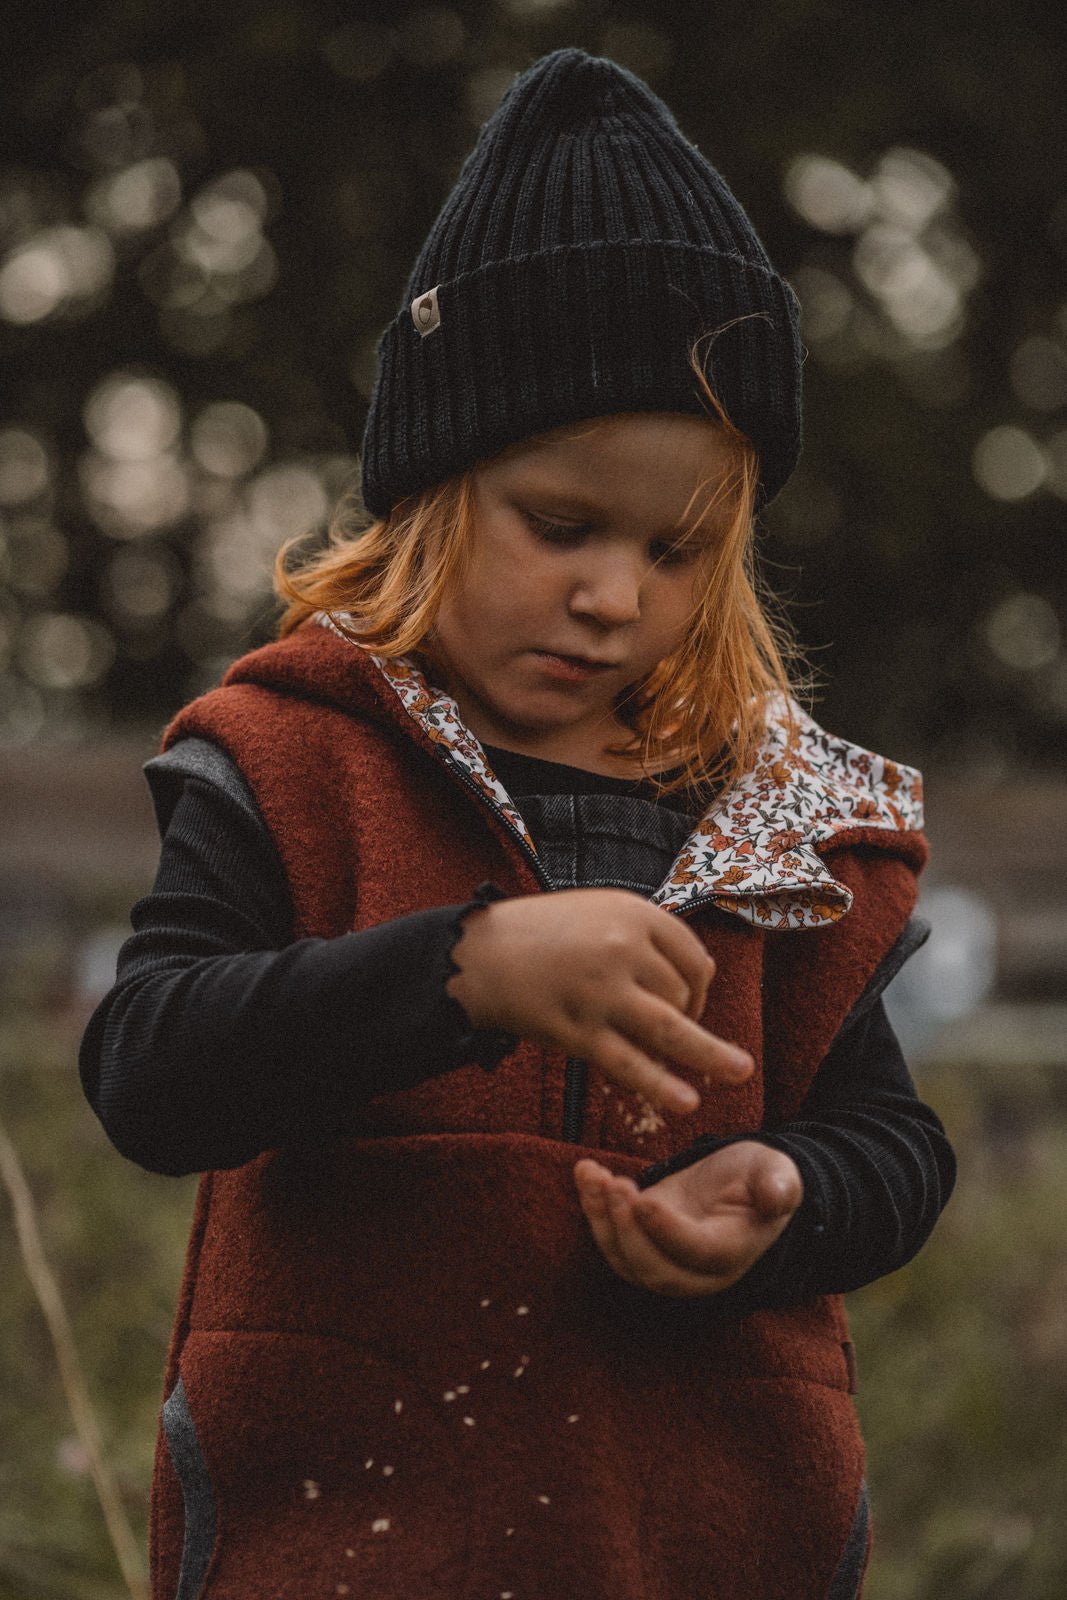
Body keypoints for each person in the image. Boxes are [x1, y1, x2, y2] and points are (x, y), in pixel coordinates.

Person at [80, 47, 955, 1600]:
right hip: (345, 1537)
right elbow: (153, 1071)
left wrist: (790, 1195)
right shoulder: (290, 759)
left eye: (678, 552)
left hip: (701, 1536)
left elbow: (893, 1144)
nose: (616, 596)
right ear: (432, 487)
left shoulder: (782, 826)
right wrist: (463, 973)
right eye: (561, 526)